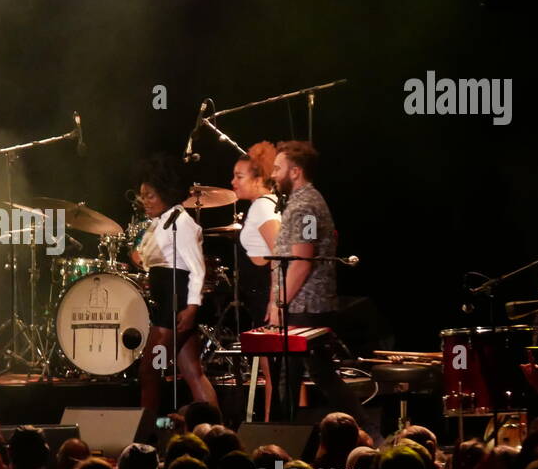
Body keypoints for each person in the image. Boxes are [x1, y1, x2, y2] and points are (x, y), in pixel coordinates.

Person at [268, 140, 380, 441]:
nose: (273, 175)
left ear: (295, 171)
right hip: (304, 304)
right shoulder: (301, 202)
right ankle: (366, 429)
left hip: (307, 306)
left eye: (278, 168)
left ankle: (286, 439)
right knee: (317, 374)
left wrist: (279, 303)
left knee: (294, 377)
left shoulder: (305, 206)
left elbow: (302, 261)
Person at [131, 157, 220, 443]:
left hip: (176, 302)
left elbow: (197, 268)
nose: (144, 200)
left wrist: (192, 307)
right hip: (165, 302)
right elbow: (150, 259)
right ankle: (217, 434)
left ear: (165, 194)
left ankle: (148, 435)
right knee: (193, 371)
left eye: (150, 195)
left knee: (150, 370)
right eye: (141, 195)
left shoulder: (181, 222)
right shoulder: (160, 222)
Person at [230, 141, 281, 419]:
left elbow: (280, 255)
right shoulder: (267, 204)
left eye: (239, 176)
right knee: (276, 374)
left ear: (260, 179)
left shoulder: (262, 207)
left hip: (266, 298)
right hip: (263, 297)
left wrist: (275, 302)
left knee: (274, 375)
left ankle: (276, 432)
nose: (233, 182)